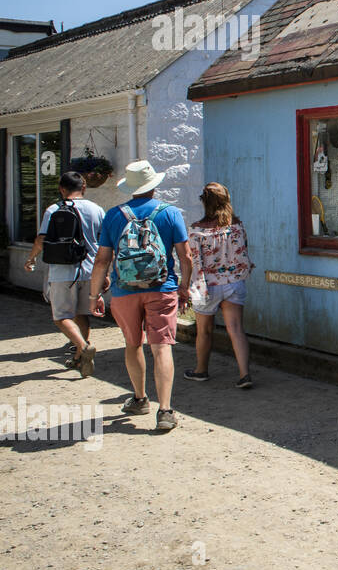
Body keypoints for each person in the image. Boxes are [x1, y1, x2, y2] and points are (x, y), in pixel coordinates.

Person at [89, 159, 192, 433]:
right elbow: (186, 255)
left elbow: (102, 260)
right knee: (162, 347)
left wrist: (93, 294)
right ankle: (166, 410)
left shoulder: (113, 215)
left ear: (130, 187)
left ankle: (139, 398)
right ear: (153, 186)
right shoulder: (170, 213)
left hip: (124, 290)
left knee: (133, 344)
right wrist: (184, 286)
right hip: (162, 288)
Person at [23, 171, 104, 377]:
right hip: (90, 270)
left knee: (61, 316)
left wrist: (31, 258)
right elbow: (103, 242)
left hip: (62, 271)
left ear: (62, 189)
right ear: (83, 188)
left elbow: (41, 239)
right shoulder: (96, 209)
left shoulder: (54, 209)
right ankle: (79, 358)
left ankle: (83, 347)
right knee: (81, 314)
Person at [185, 183, 255, 388]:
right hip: (234, 283)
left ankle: (201, 370)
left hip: (207, 286)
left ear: (204, 202)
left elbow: (194, 261)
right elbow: (243, 253)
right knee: (236, 329)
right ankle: (244, 374)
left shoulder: (196, 229)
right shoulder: (237, 226)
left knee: (204, 331)